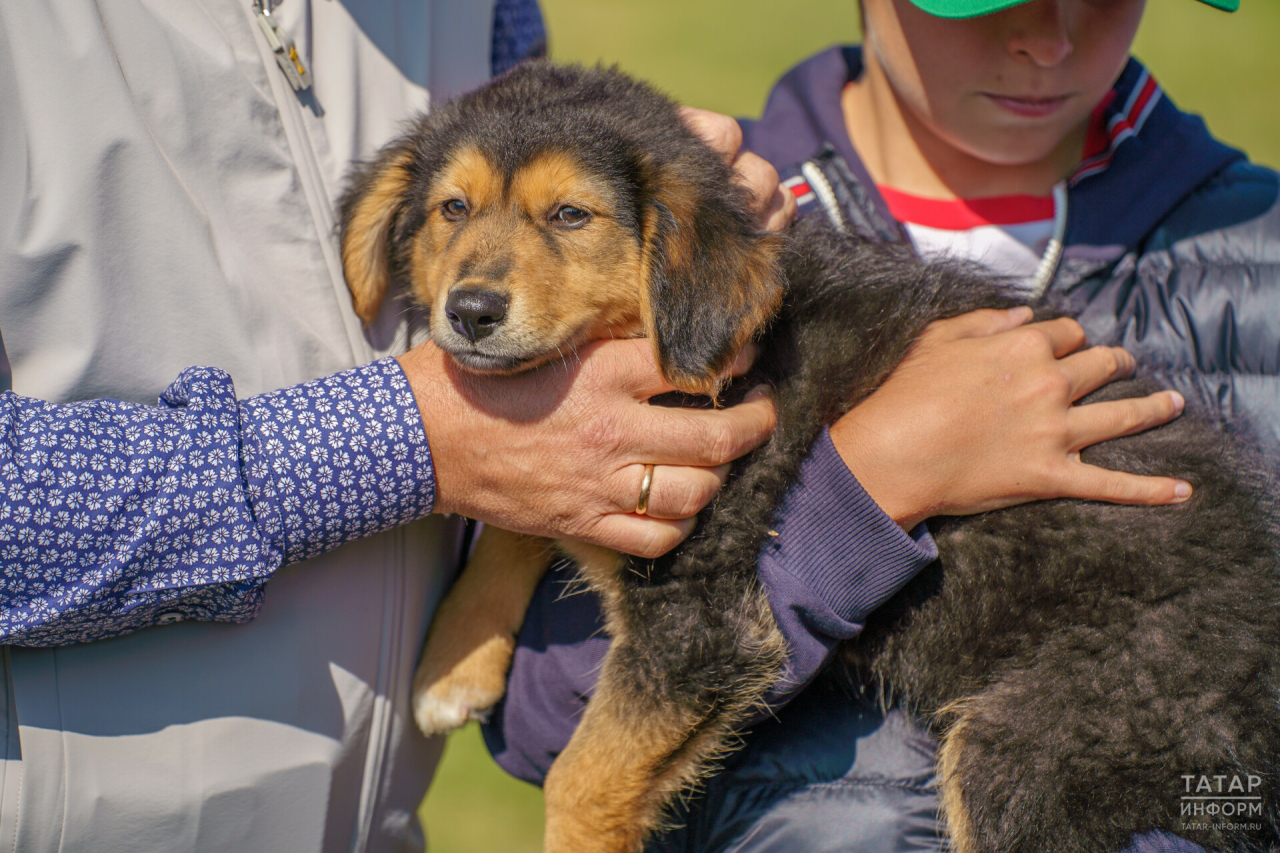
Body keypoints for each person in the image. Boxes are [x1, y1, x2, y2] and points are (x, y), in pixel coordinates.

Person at [483, 0, 1280, 851]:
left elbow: (1243, 797)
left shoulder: (1256, 259)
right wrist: (863, 487)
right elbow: (546, 723)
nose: (1049, 39)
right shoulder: (669, 241)